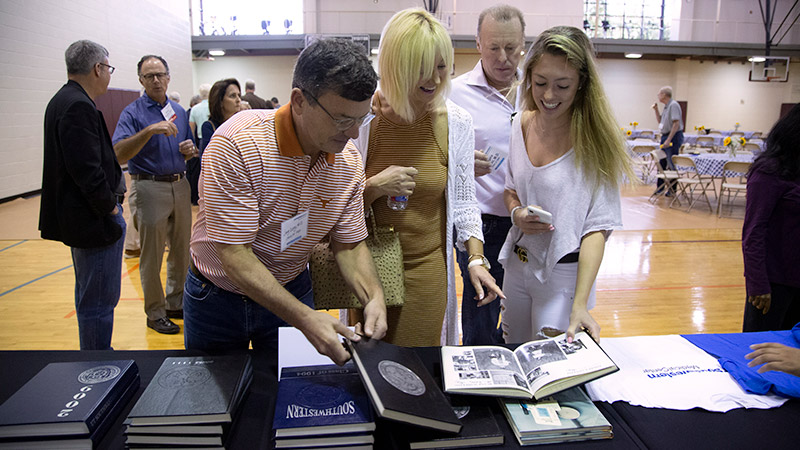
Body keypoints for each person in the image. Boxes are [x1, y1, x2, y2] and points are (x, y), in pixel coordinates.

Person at [184, 38, 387, 365]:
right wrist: (306, 318)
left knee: (288, 395)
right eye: (341, 119)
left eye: (360, 120)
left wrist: (373, 296)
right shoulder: (237, 144)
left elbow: (348, 245)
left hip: (291, 286)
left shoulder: (347, 161)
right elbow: (235, 256)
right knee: (214, 398)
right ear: (299, 101)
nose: (352, 134)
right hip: (217, 298)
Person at [351, 8, 503, 347]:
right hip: (365, 267)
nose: (434, 79)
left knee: (419, 369)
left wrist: (476, 260)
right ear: (395, 65)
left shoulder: (456, 122)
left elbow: (465, 204)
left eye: (441, 66)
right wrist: (375, 187)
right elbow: (337, 206)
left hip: (427, 269)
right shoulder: (362, 121)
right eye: (422, 68)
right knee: (369, 365)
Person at [499, 26, 634, 343]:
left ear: (581, 85)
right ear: (528, 76)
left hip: (564, 275)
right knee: (515, 355)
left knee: (551, 371)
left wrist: (580, 303)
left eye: (562, 86)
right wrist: (517, 213)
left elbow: (597, 229)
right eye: (540, 83)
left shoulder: (596, 141)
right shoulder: (520, 124)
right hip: (518, 267)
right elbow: (510, 190)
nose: (548, 95)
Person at [39, 40, 125, 350]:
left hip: (83, 220)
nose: (109, 75)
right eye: (108, 68)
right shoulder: (77, 105)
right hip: (94, 222)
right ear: (97, 69)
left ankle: (94, 354)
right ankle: (97, 361)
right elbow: (87, 170)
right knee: (98, 302)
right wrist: (110, 211)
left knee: (90, 296)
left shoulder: (63, 100)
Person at [449, 4, 525, 346]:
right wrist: (458, 161)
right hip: (480, 221)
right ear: (478, 44)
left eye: (511, 48)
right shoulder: (454, 93)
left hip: (529, 220)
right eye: (494, 47)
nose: (503, 57)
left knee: (522, 306)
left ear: (523, 44)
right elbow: (434, 153)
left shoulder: (538, 91)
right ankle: (480, 382)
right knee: (482, 305)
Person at [112, 55, 197, 335]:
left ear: (169, 77)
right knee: (151, 255)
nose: (156, 80)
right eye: (149, 76)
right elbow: (119, 152)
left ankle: (175, 303)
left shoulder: (179, 111)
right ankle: (155, 312)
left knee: (182, 251)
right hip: (149, 186)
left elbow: (188, 147)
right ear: (141, 80)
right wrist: (149, 130)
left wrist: (190, 150)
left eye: (160, 74)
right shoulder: (132, 113)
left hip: (179, 182)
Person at [742, 103, 800, 332]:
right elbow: (754, 231)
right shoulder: (770, 170)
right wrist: (757, 283)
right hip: (774, 283)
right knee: (761, 352)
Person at [652, 86, 684, 194]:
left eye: (659, 94)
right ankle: (660, 188)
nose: (658, 96)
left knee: (671, 163)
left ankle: (672, 189)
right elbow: (660, 121)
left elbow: (676, 123)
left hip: (673, 137)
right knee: (662, 162)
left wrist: (668, 139)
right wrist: (656, 110)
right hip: (665, 135)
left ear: (664, 95)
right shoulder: (666, 106)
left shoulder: (673, 105)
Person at [198, 78, 241, 155]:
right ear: (220, 101)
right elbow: (208, 158)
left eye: (239, 95)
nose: (238, 100)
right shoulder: (209, 127)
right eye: (232, 96)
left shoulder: (240, 124)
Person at [187, 83, 211, 205]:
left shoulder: (195, 109)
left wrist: (193, 146)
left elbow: (191, 129)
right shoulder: (214, 106)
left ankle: (200, 198)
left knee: (203, 171)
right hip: (215, 139)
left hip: (202, 141)